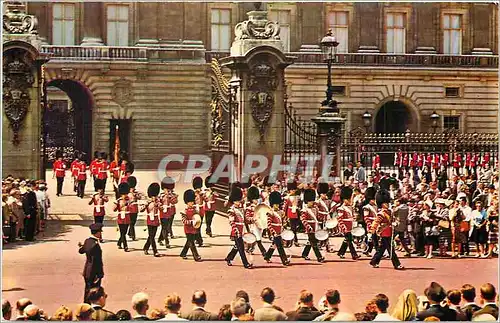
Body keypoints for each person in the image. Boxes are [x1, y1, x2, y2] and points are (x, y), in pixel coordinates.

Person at [369, 189, 404, 270]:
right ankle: (397, 264)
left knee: (382, 249)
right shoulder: (381, 213)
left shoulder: (389, 212)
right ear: (382, 204)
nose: (388, 204)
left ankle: (374, 261)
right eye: (386, 203)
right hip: (384, 232)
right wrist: (372, 230)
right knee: (391, 249)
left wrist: (394, 223)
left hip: (389, 231)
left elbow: (392, 220)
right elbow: (376, 222)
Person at [225, 185, 252, 268]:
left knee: (237, 247)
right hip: (236, 231)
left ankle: (229, 258)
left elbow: (245, 220)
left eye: (239, 200)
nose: (238, 202)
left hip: (242, 230)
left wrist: (252, 220)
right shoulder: (231, 210)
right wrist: (236, 230)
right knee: (241, 249)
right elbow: (231, 222)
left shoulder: (241, 209)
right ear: (233, 201)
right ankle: (245, 263)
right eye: (236, 201)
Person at [78, 223, 104, 303]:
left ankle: (85, 306)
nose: (101, 234)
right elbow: (97, 261)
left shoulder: (87, 241)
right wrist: (99, 274)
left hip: (87, 271)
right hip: (93, 272)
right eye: (100, 232)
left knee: (87, 290)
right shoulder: (95, 245)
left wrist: (82, 246)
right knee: (94, 292)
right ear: (97, 233)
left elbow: (81, 251)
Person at [264, 191, 290, 266]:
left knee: (274, 244)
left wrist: (285, 224)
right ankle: (284, 260)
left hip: (280, 231)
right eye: (275, 204)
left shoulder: (281, 212)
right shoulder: (270, 212)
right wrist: (273, 232)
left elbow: (283, 222)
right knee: (280, 246)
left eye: (278, 204)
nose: (277, 206)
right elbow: (269, 224)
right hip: (274, 232)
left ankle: (267, 256)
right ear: (272, 204)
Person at [301, 188, 325, 262]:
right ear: (306, 201)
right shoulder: (304, 210)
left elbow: (318, 216)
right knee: (314, 243)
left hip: (315, 227)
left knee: (310, 241)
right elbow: (303, 220)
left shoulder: (315, 209)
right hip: (309, 228)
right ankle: (319, 257)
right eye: (310, 201)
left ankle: (304, 254)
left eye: (312, 201)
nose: (312, 203)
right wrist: (308, 227)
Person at [337, 187, 359, 260]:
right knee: (349, 240)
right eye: (348, 199)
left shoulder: (350, 208)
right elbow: (340, 219)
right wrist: (343, 228)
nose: (350, 201)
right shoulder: (341, 208)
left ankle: (341, 252)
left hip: (350, 226)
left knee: (347, 240)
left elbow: (352, 217)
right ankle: (354, 254)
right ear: (344, 199)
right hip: (345, 227)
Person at [180, 189, 202, 262]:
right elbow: (184, 221)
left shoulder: (195, 210)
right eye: (190, 202)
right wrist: (191, 222)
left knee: (189, 241)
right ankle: (196, 256)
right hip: (187, 229)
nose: (192, 203)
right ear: (187, 202)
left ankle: (183, 253)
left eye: (192, 201)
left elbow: (197, 217)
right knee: (191, 243)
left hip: (193, 228)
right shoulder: (184, 211)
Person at [143, 183, 161, 257]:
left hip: (156, 219)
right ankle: (155, 251)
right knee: (151, 235)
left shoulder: (157, 201)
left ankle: (146, 247)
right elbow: (141, 210)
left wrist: (158, 204)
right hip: (150, 219)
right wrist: (147, 204)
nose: (155, 197)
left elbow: (162, 209)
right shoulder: (147, 202)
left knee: (152, 236)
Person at [114, 182, 131, 252]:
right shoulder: (118, 201)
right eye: (124, 194)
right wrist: (116, 205)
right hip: (121, 217)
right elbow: (114, 209)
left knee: (124, 232)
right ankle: (125, 246)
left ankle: (119, 242)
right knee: (122, 232)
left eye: (126, 194)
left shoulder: (129, 200)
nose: (125, 195)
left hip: (127, 217)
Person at [127, 176, 141, 241]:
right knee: (131, 222)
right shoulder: (127, 194)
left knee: (134, 222)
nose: (133, 188)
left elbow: (139, 198)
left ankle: (130, 233)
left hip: (135, 209)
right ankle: (133, 235)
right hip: (130, 209)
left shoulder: (135, 193)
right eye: (132, 188)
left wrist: (136, 195)